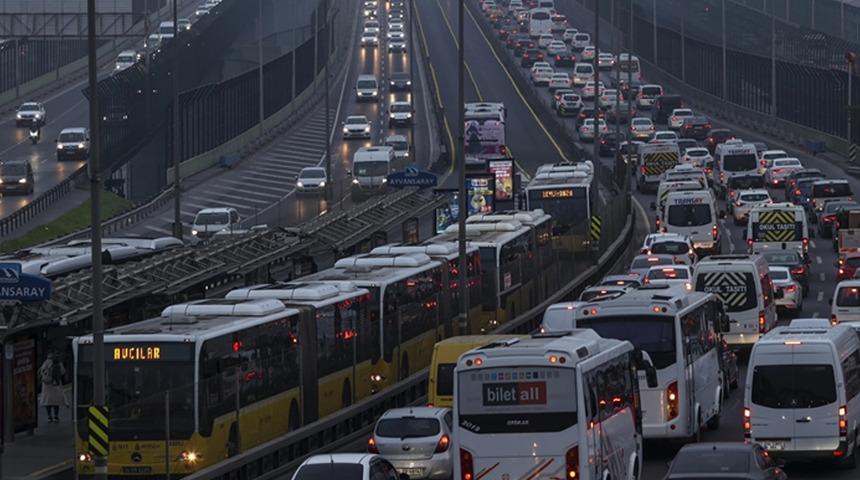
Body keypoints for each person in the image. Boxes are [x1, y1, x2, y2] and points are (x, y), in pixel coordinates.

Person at [39, 353, 66, 423]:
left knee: (47, 401)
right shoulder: (59, 363)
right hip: (56, 384)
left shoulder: (45, 363)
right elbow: (63, 372)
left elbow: (42, 371)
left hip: (47, 385)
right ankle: (56, 416)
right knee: (56, 401)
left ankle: (49, 416)